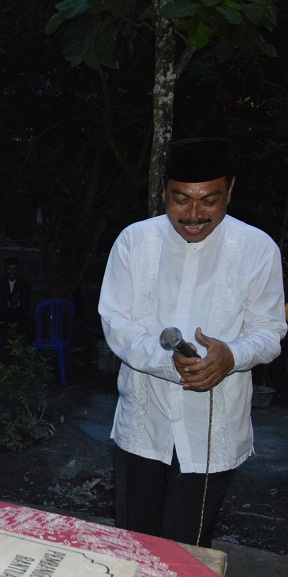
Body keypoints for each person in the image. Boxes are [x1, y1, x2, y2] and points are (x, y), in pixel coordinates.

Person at [99, 137, 286, 547]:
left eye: (209, 200)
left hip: (212, 431)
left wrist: (231, 356)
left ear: (230, 190)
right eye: (181, 199)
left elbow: (269, 329)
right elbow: (116, 322)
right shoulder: (134, 241)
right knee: (135, 546)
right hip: (143, 426)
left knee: (189, 553)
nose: (194, 214)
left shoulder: (257, 249)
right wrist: (168, 361)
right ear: (164, 191)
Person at [0, 255, 32, 350]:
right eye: (9, 269)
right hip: (2, 317)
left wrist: (17, 304)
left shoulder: (25, 285)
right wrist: (9, 304)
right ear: (5, 270)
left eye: (15, 269)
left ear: (18, 270)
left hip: (19, 317)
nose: (12, 272)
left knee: (29, 329)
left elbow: (26, 305)